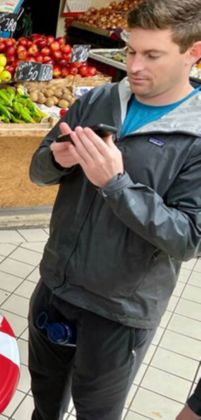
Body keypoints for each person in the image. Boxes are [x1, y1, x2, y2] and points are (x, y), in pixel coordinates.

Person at [27, 0, 201, 419]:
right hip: (56, 286)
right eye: (130, 52)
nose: (135, 66)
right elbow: (37, 170)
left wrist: (116, 185)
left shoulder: (195, 136)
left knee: (96, 414)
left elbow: (189, 238)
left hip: (119, 313)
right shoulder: (99, 100)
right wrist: (58, 160)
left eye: (152, 55)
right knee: (44, 406)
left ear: (193, 53)